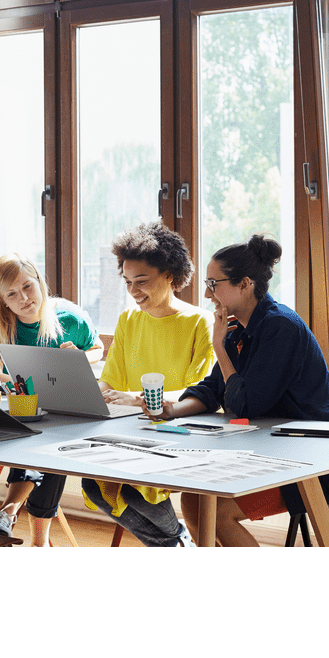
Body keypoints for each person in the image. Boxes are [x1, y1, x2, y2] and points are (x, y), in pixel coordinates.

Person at [143, 233, 329, 546]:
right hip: (271, 455)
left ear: (245, 284)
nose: (206, 293)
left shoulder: (280, 327)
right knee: (195, 499)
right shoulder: (237, 330)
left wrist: (218, 347)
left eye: (213, 284)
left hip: (312, 465)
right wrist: (172, 410)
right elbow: (214, 388)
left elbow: (246, 405)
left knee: (216, 511)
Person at [80, 221, 213, 546]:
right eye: (128, 282)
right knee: (92, 484)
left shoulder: (200, 321)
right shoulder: (128, 320)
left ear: (169, 275)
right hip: (130, 430)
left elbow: (201, 392)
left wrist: (138, 400)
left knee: (134, 488)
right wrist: (78, 394)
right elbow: (110, 382)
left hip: (179, 431)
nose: (133, 291)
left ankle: (176, 542)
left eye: (142, 281)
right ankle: (177, 542)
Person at [0, 253, 103, 546]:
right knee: (40, 441)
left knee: (50, 444)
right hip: (25, 408)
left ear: (40, 283)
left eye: (28, 286)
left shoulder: (69, 318)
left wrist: (79, 358)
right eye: (12, 294)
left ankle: (8, 513)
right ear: (2, 301)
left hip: (67, 408)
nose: (24, 298)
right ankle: (39, 541)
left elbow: (98, 349)